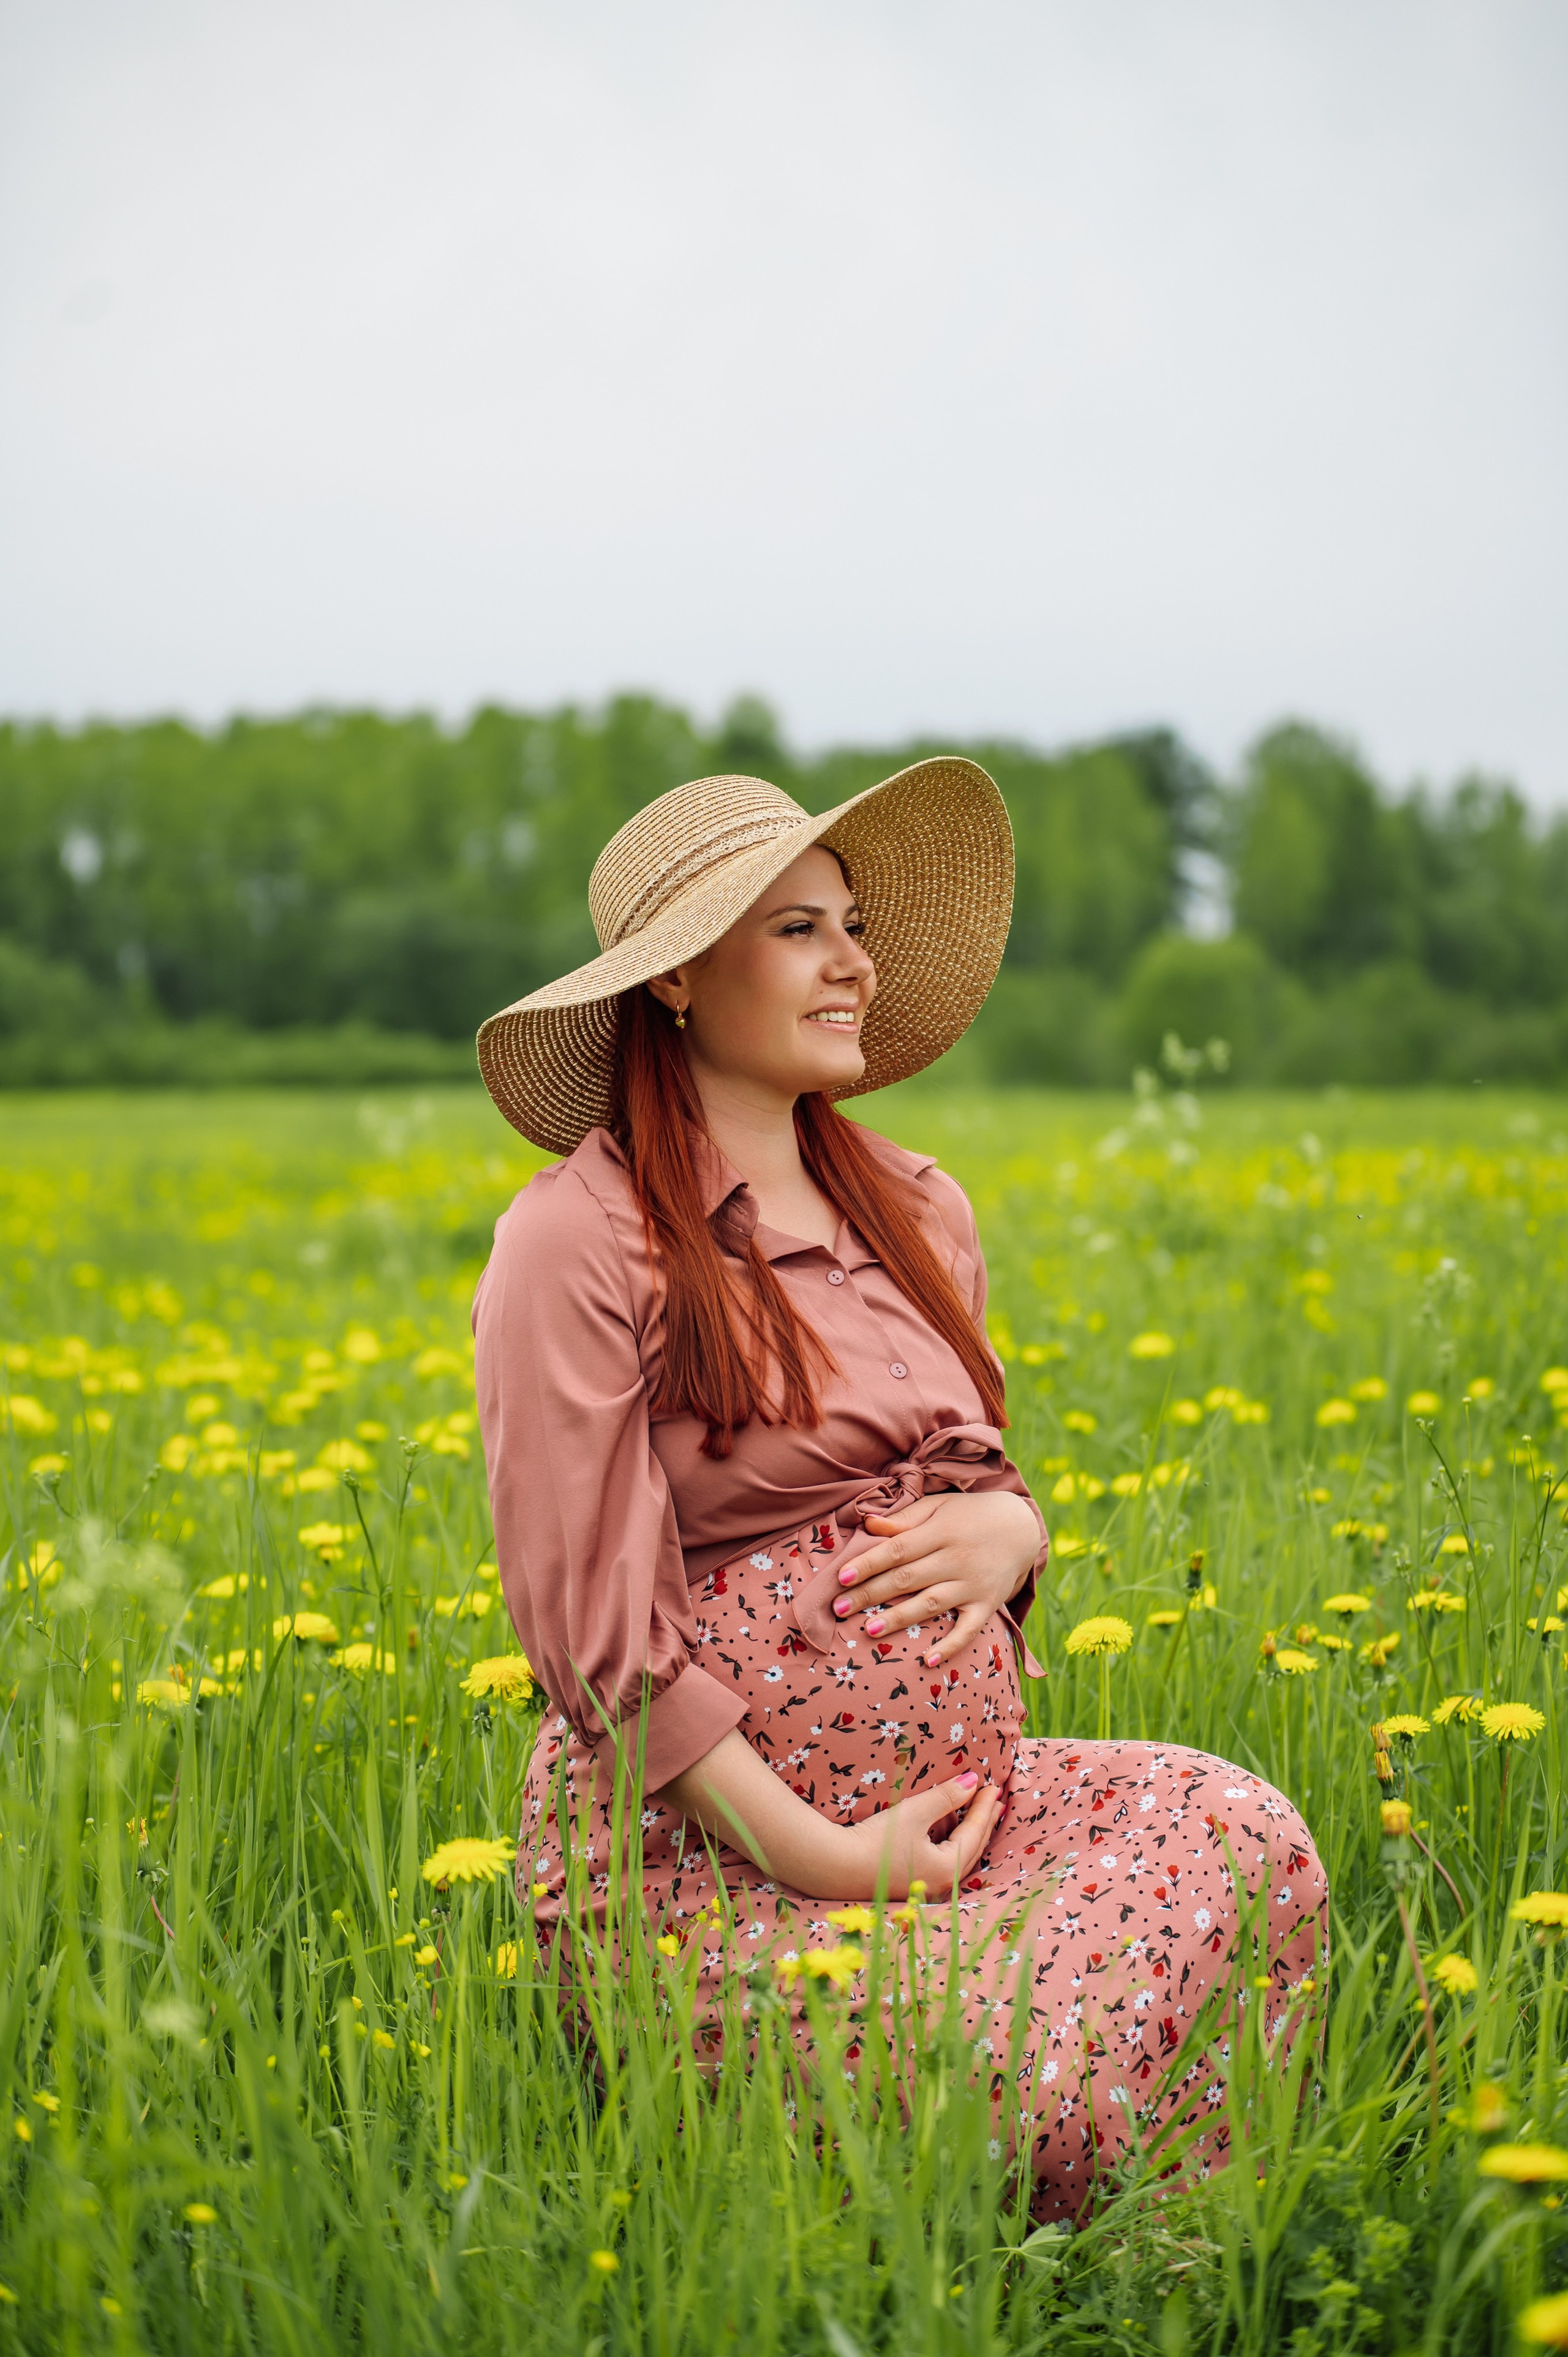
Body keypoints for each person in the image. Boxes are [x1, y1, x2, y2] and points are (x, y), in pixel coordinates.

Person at [472, 760, 1326, 2219]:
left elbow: (974, 1477)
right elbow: (591, 1638)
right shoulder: (580, 1238)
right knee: (1005, 2076)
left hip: (953, 1822)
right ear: (675, 977)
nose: (852, 965)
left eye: (853, 927)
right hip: (711, 1872)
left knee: (1245, 1836)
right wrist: (828, 1856)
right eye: (798, 929)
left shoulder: (918, 1205)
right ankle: (1043, 2183)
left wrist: (1017, 1528)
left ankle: (1186, 2241)